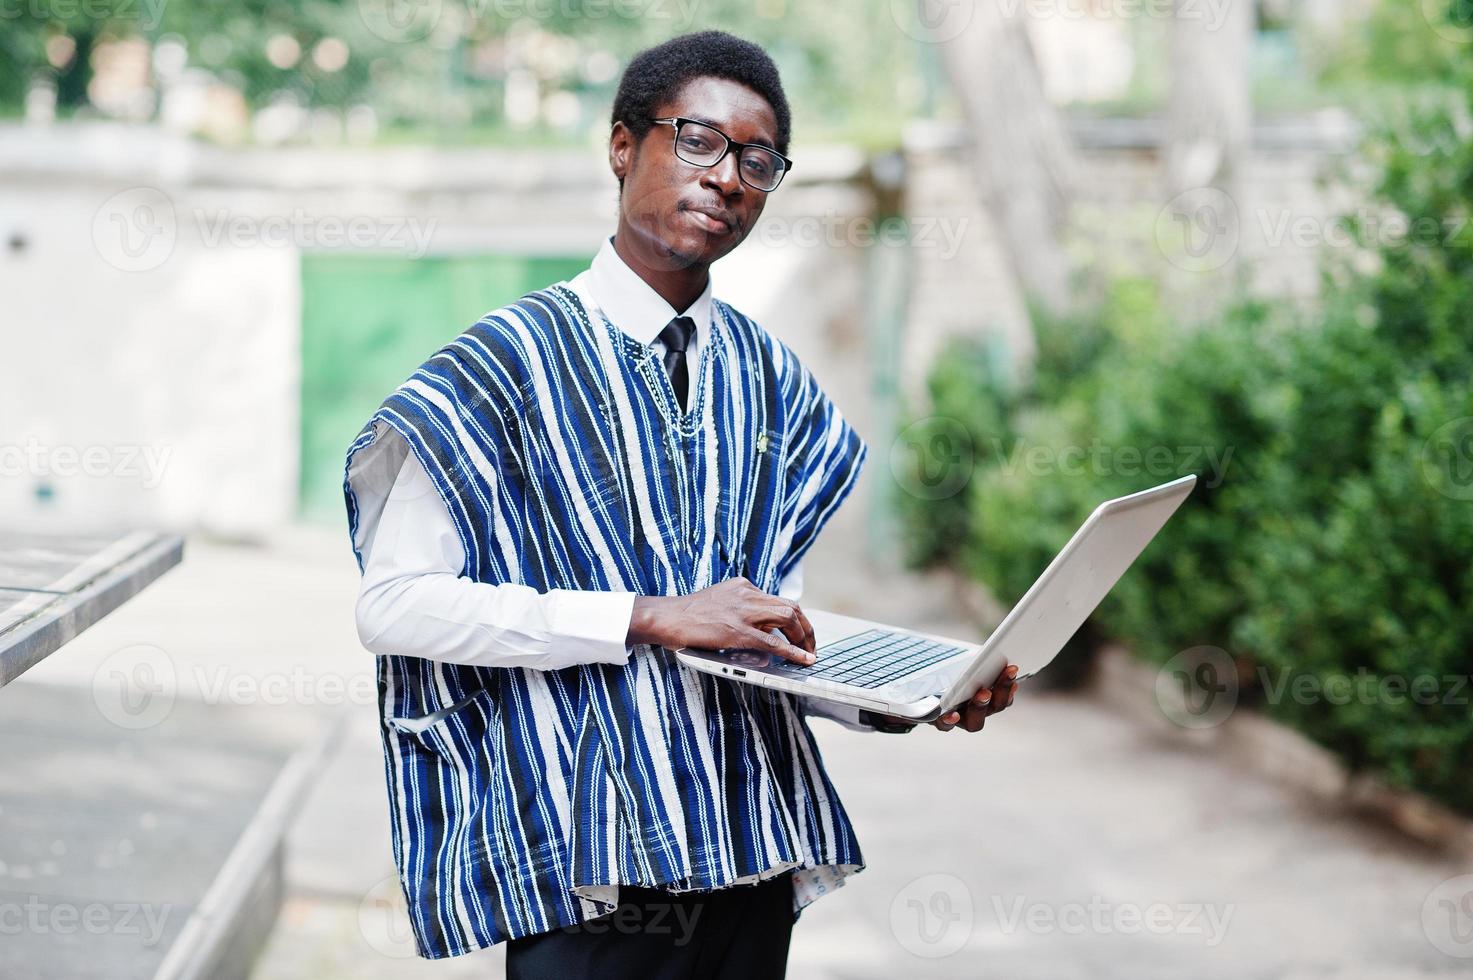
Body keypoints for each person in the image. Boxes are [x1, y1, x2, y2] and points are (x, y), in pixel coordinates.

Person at [342, 29, 1018, 978]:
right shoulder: (498, 368)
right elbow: (394, 605)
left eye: (757, 159)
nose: (728, 177)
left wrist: (904, 700)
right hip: (589, 868)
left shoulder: (769, 376)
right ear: (623, 146)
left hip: (747, 854)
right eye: (697, 141)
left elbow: (756, 632)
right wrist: (647, 617)